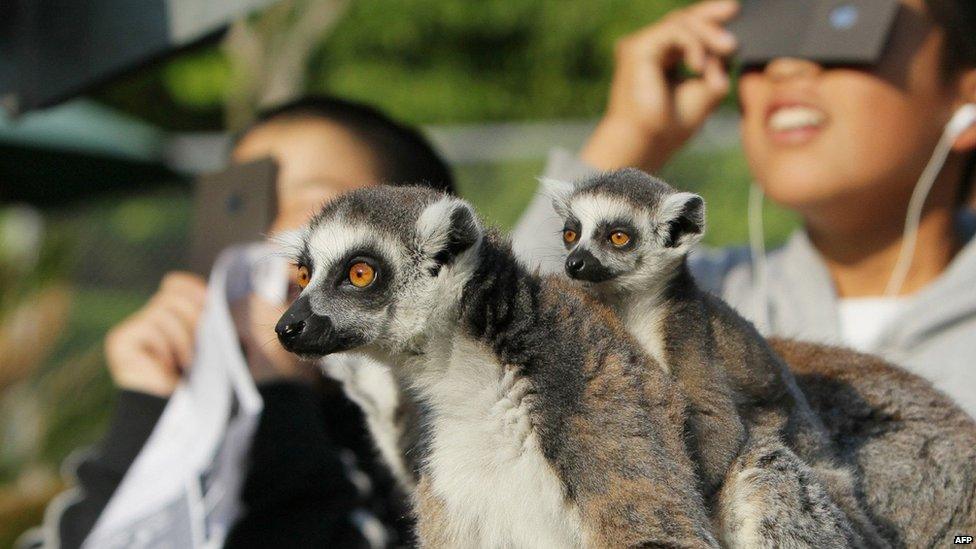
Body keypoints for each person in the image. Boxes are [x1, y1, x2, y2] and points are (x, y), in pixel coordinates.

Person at [24, 96, 454, 549]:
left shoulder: (446, 455)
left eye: (316, 205)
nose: (268, 237)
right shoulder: (184, 424)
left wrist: (279, 404)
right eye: (241, 204)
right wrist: (145, 416)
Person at [512, 0, 976, 417]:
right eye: (768, 36)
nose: (786, 66)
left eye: (846, 24)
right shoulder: (687, 294)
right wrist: (633, 132)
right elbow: (514, 328)